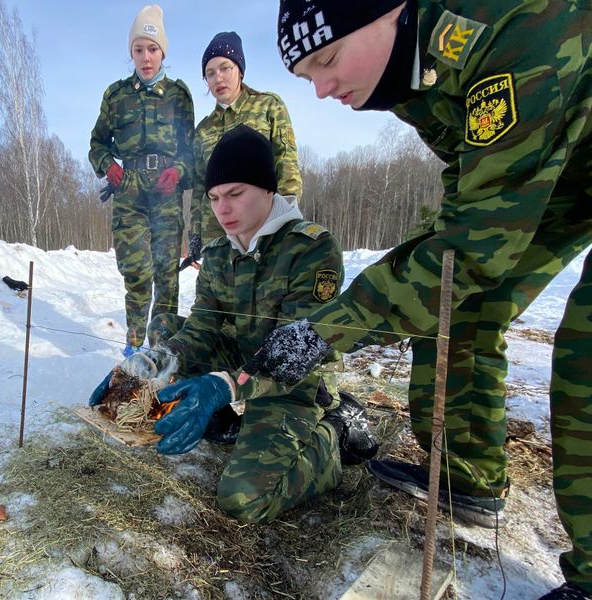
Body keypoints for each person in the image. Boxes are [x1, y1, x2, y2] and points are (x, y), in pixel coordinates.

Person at [244, 2, 590, 598]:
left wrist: (327, 330)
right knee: (458, 307)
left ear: (391, 10)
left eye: (327, 61)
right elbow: (468, 173)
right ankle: (467, 475)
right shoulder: (404, 72)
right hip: (558, 160)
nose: (323, 90)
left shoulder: (511, 29)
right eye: (307, 78)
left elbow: (473, 244)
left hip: (567, 137)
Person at [89, 126, 378, 523]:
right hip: (242, 358)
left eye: (235, 194)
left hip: (294, 383)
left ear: (267, 190)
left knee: (243, 499)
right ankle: (224, 418)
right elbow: (203, 327)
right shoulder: (220, 252)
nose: (222, 209)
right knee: (166, 328)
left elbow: (296, 358)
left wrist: (225, 385)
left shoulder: (310, 248)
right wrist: (150, 363)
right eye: (213, 198)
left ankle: (333, 434)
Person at [89, 4, 195, 357]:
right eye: (138, 49)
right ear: (131, 52)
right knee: (136, 272)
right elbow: (97, 143)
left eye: (152, 49)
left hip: (165, 191)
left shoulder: (179, 96)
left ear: (162, 51)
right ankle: (134, 348)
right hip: (129, 190)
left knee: (166, 275)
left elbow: (190, 148)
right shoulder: (116, 96)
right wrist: (108, 165)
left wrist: (179, 170)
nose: (145, 57)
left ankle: (161, 352)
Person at [187, 31, 303, 264]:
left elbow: (286, 163)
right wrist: (195, 234)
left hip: (262, 227)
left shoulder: (268, 106)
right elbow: (200, 187)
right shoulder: (203, 129)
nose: (218, 78)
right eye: (210, 73)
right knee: (218, 297)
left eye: (224, 68)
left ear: (239, 69)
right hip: (216, 232)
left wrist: (285, 222)